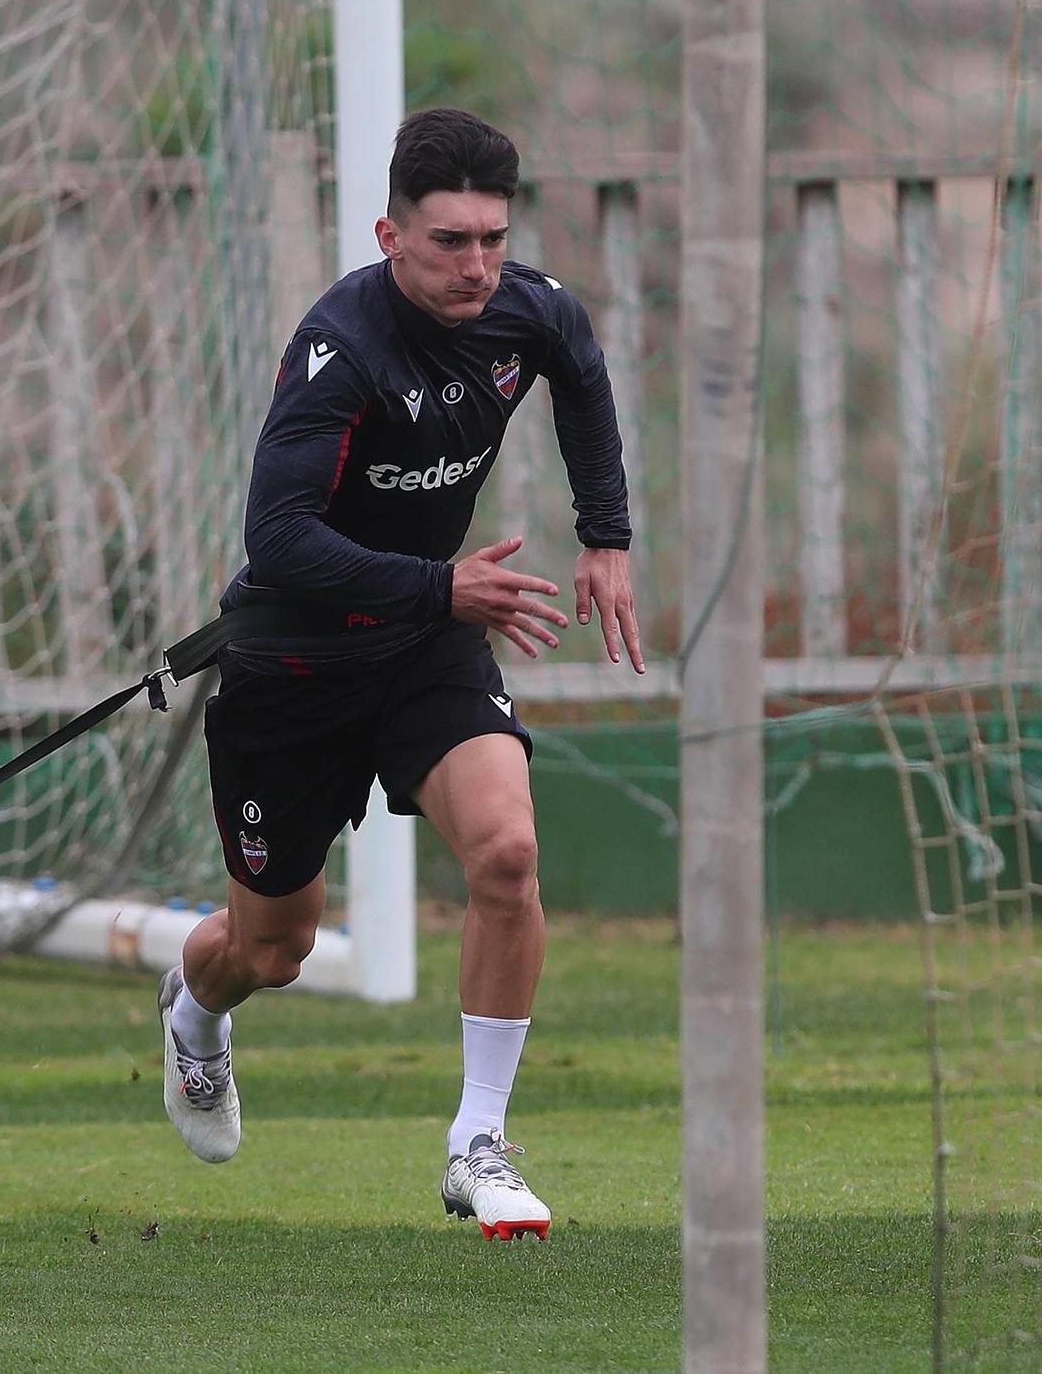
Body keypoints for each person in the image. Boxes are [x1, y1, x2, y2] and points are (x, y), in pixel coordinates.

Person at [157, 106, 644, 1241]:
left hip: (425, 637)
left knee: (509, 853)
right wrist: (442, 586)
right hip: (294, 657)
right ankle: (193, 1015)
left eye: (491, 238)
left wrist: (604, 536)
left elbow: (576, 369)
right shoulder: (340, 351)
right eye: (447, 243)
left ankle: (478, 1144)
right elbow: (275, 539)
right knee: (269, 951)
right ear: (389, 235)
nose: (476, 265)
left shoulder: (528, 310)